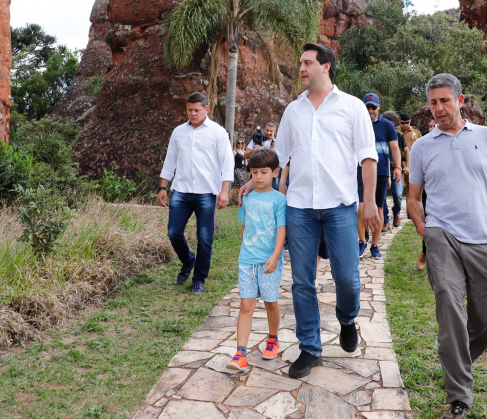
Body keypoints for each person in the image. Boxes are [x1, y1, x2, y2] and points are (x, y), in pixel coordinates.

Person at [242, 42, 380, 379]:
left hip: (341, 207)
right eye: (301, 63)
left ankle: (347, 319)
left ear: (326, 66)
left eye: (307, 63)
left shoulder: (351, 108)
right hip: (300, 208)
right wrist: (254, 180)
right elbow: (279, 156)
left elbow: (367, 157)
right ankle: (310, 348)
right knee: (302, 281)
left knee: (347, 277)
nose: (301, 68)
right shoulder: (294, 110)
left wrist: (371, 201)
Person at [407, 73, 487, 419]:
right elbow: (414, 199)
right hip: (442, 237)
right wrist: (426, 230)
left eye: (444, 101)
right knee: (450, 311)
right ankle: (459, 397)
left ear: (460, 100)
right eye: (433, 102)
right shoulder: (421, 147)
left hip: (486, 239)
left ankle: (458, 360)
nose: (438, 108)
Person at [158, 92, 233, 294]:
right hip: (181, 191)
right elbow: (170, 160)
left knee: (205, 237)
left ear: (206, 109)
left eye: (196, 110)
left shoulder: (218, 133)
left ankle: (199, 278)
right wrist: (162, 187)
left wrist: (224, 192)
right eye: (189, 110)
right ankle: (188, 260)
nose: (192, 114)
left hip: (206, 193)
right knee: (173, 233)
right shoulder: (178, 132)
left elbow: (227, 164)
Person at [227, 149, 287, 371]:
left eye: (264, 172)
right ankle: (240, 353)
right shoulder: (247, 198)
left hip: (270, 261)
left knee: (271, 302)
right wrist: (245, 251)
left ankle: (273, 338)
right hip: (248, 260)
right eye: (254, 172)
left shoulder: (280, 200)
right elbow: (244, 228)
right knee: (246, 304)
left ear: (275, 172)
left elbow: (282, 231)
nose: (259, 177)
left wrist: (274, 256)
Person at [358, 93, 401, 260]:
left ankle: (374, 244)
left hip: (381, 170)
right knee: (360, 208)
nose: (370, 110)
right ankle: (361, 241)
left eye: (373, 107)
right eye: (367, 107)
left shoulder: (387, 126)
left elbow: (395, 148)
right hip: (360, 169)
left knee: (379, 208)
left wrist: (397, 167)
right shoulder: (358, 124)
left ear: (379, 107)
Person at [414, 116, 435, 272]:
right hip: (429, 191)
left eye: (435, 126)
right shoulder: (423, 145)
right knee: (429, 223)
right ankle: (425, 252)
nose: (432, 129)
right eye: (430, 126)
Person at [382, 110, 408, 229]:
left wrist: (407, 166)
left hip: (396, 170)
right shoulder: (379, 134)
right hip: (382, 170)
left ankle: (396, 213)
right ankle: (385, 220)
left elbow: (406, 151)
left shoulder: (399, 135)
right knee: (381, 197)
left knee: (397, 194)